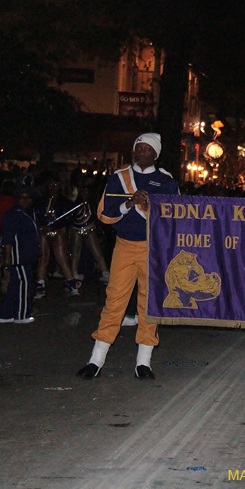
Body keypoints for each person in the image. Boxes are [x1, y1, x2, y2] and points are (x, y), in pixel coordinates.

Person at [77, 133, 179, 380]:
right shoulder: (118, 178)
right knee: (115, 300)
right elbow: (104, 215)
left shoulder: (166, 181)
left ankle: (143, 362)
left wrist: (147, 207)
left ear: (156, 154)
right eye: (138, 147)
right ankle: (96, 360)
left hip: (153, 249)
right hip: (124, 245)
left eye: (147, 148)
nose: (141, 151)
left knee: (149, 304)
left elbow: (174, 218)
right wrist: (129, 204)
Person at [0, 187, 39, 324]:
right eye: (22, 197)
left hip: (27, 255)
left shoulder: (27, 213)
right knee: (24, 285)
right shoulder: (13, 214)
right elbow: (8, 237)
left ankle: (5, 314)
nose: (25, 200)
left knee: (15, 285)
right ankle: (22, 314)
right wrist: (8, 257)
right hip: (19, 257)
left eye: (28, 198)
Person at [34, 177, 82, 298]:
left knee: (62, 257)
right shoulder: (40, 201)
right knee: (43, 257)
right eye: (51, 185)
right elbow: (36, 214)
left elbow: (70, 216)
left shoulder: (64, 202)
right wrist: (43, 225)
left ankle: (71, 282)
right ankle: (40, 284)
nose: (53, 188)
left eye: (55, 185)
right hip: (44, 231)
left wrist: (59, 225)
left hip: (58, 231)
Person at [69, 184, 110, 284]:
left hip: (90, 228)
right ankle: (74, 273)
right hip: (76, 229)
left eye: (87, 192)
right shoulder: (76, 205)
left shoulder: (93, 205)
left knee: (96, 251)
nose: (85, 194)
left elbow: (97, 218)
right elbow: (71, 217)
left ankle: (105, 273)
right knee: (75, 251)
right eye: (83, 192)